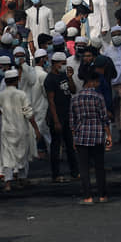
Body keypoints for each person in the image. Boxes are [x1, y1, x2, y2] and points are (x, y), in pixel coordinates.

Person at [69, 70, 112, 203]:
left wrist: (73, 138)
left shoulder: (75, 98)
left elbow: (72, 121)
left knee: (84, 168)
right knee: (99, 167)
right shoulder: (99, 97)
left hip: (81, 135)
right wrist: (109, 135)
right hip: (98, 135)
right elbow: (104, 118)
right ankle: (102, 195)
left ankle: (88, 196)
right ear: (93, 82)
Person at [0, 68, 41, 191]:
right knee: (22, 154)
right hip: (21, 129)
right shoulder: (22, 94)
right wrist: (36, 129)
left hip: (7, 129)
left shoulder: (1, 95)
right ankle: (22, 179)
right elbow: (28, 113)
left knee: (7, 156)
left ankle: (8, 183)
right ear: (17, 80)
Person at [44, 51, 79, 182]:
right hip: (57, 115)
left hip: (67, 114)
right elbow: (51, 101)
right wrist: (56, 121)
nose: (64, 66)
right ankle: (56, 174)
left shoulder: (64, 75)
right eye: (62, 63)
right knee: (56, 145)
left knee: (70, 144)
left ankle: (74, 172)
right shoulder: (50, 79)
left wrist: (70, 77)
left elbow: (73, 90)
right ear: (55, 64)